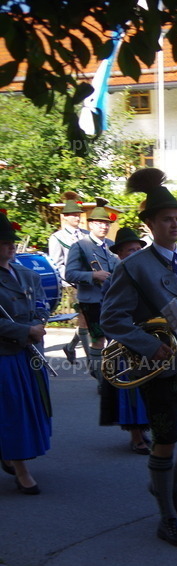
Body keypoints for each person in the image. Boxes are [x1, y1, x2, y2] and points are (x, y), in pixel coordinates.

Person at [101, 168, 177, 547]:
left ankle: (171, 484)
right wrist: (148, 345)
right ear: (150, 224)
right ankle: (167, 519)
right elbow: (111, 318)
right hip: (157, 367)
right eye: (166, 220)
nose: (174, 225)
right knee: (165, 441)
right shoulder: (133, 266)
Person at [0, 210, 51, 495]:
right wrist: (23, 331)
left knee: (33, 410)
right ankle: (21, 470)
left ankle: (10, 453)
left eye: (11, 241)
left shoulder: (27, 274)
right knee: (14, 412)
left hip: (30, 353)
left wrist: (39, 323)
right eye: (4, 241)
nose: (10, 245)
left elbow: (43, 304)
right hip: (5, 355)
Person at [98, 227, 151, 454]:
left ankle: (146, 429)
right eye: (131, 250)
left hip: (149, 339)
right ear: (120, 253)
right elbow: (110, 316)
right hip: (127, 342)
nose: (136, 252)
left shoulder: (147, 274)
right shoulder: (115, 279)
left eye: (139, 249)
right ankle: (136, 435)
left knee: (150, 389)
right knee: (132, 392)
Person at [64, 199, 117, 388]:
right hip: (92, 300)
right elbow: (69, 273)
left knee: (115, 338)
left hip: (112, 299)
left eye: (107, 223)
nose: (104, 226)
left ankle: (110, 374)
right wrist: (93, 275)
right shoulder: (80, 246)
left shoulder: (112, 244)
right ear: (91, 224)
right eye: (100, 223)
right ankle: (100, 378)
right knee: (98, 339)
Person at [48, 191, 88, 362]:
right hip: (73, 283)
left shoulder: (86, 234)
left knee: (89, 319)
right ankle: (93, 363)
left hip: (91, 281)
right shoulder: (57, 238)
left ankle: (70, 346)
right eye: (72, 215)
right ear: (64, 217)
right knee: (86, 319)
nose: (77, 218)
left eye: (78, 214)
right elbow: (56, 264)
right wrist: (75, 277)